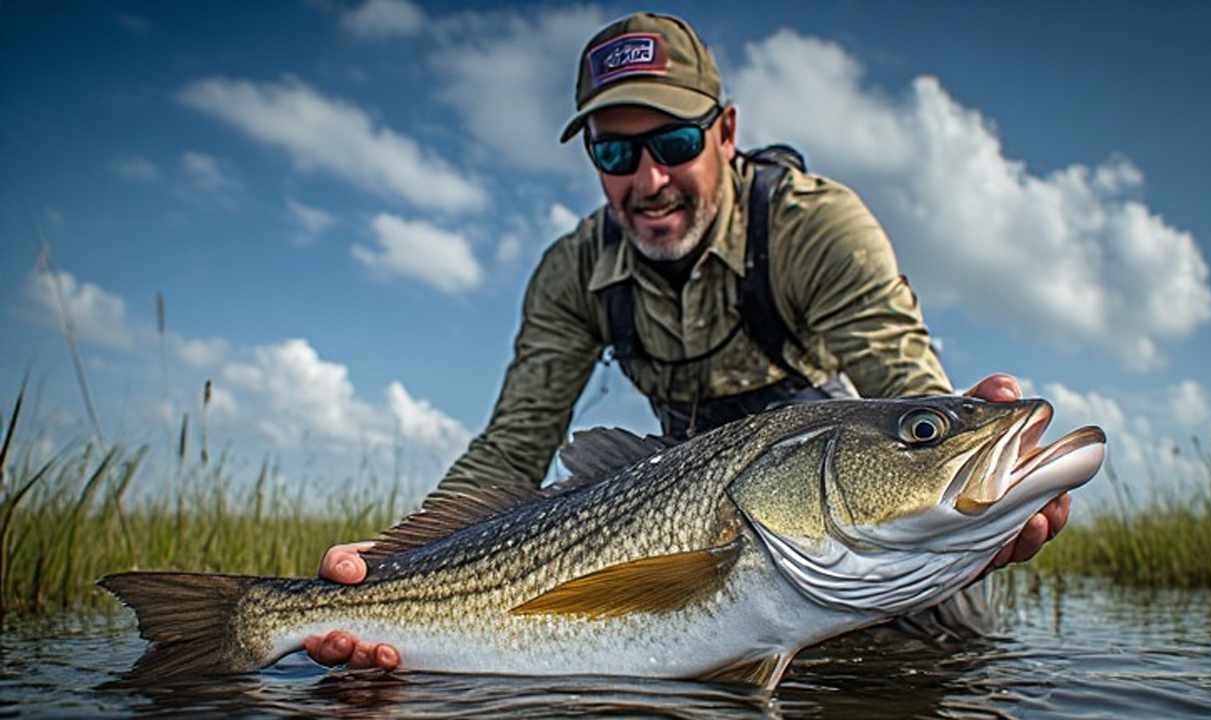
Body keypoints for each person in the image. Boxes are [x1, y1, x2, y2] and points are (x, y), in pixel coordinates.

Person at [302, 12, 1071, 671]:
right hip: (672, 499)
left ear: (726, 131)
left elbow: (901, 386)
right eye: (614, 153)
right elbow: (511, 448)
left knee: (948, 657)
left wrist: (952, 450)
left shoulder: (814, 227)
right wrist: (386, 567)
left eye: (672, 142)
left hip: (812, 489)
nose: (649, 180)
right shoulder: (572, 272)